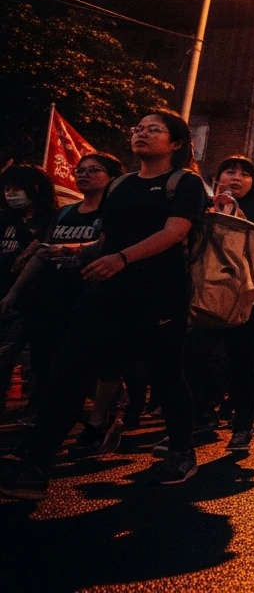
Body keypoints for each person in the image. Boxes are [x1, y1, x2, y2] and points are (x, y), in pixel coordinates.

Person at [1, 110, 208, 500]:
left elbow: (173, 232)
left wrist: (123, 259)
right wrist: (78, 254)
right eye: (138, 128)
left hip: (159, 294)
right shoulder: (121, 186)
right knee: (70, 371)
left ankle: (181, 450)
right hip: (105, 291)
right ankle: (37, 464)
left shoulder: (185, 183)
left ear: (176, 143)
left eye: (154, 130)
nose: (141, 134)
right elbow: (108, 240)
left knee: (166, 373)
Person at [1, 154, 119, 446]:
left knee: (81, 365)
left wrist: (75, 250)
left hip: (93, 298)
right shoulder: (66, 213)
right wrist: (15, 291)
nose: (84, 175)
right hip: (54, 299)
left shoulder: (114, 214)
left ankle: (94, 419)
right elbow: (42, 252)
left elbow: (110, 247)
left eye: (95, 170)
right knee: (43, 362)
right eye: (81, 170)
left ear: (112, 177)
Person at [197, 155, 254, 450]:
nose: (236, 177)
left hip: (248, 301)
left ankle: (242, 427)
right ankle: (195, 420)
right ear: (218, 178)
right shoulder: (201, 208)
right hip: (206, 297)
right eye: (229, 171)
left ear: (253, 183)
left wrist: (239, 218)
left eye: (245, 174)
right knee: (195, 360)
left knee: (242, 364)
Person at [0, 164, 58, 409]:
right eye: (7, 188)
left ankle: (39, 409)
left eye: (17, 188)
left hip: (33, 299)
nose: (11, 193)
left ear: (35, 189)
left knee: (32, 358)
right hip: (3, 294)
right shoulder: (4, 218)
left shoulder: (54, 220)